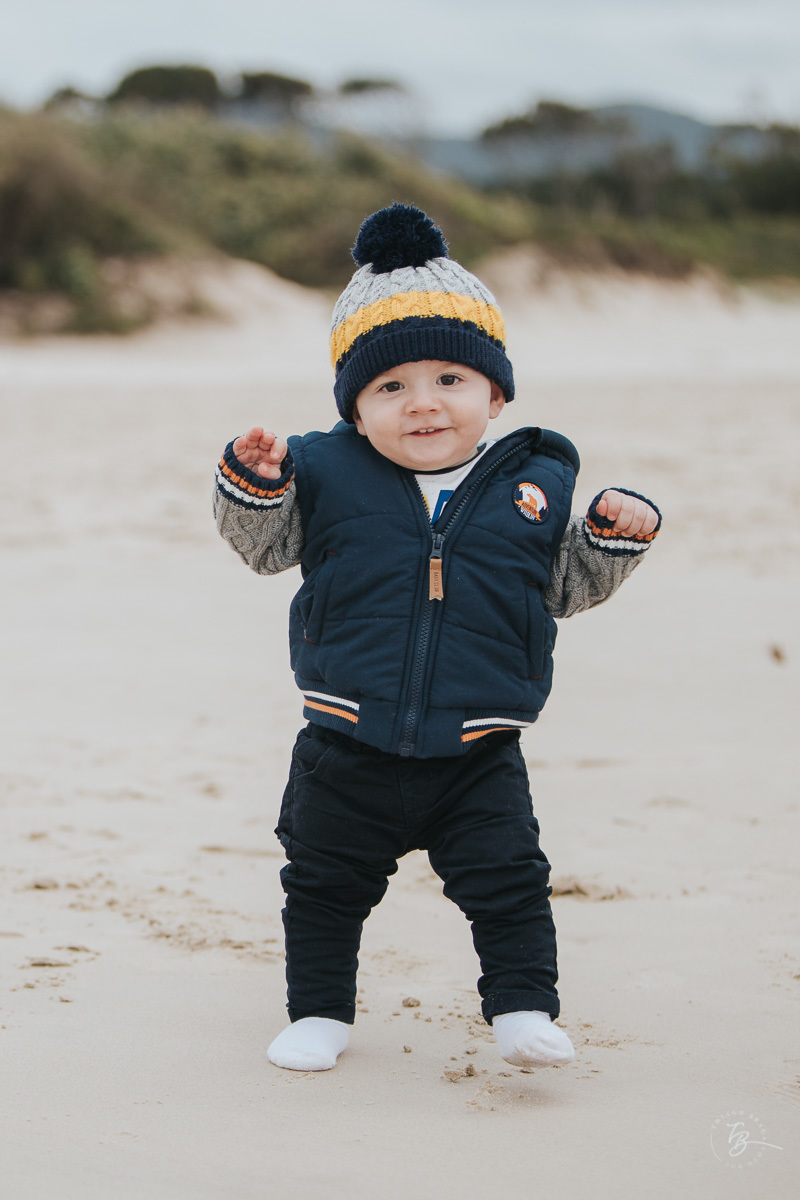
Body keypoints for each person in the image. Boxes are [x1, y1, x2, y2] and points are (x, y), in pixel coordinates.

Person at [213, 203, 661, 1073]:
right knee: (321, 886)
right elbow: (260, 552)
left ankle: (525, 1009)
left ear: (495, 393)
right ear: (355, 408)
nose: (423, 405)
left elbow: (559, 589)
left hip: (479, 750)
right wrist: (253, 487)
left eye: (450, 380)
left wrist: (612, 542)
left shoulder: (531, 486)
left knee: (511, 885)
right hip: (346, 740)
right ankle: (320, 1015)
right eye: (390, 388)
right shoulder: (326, 474)